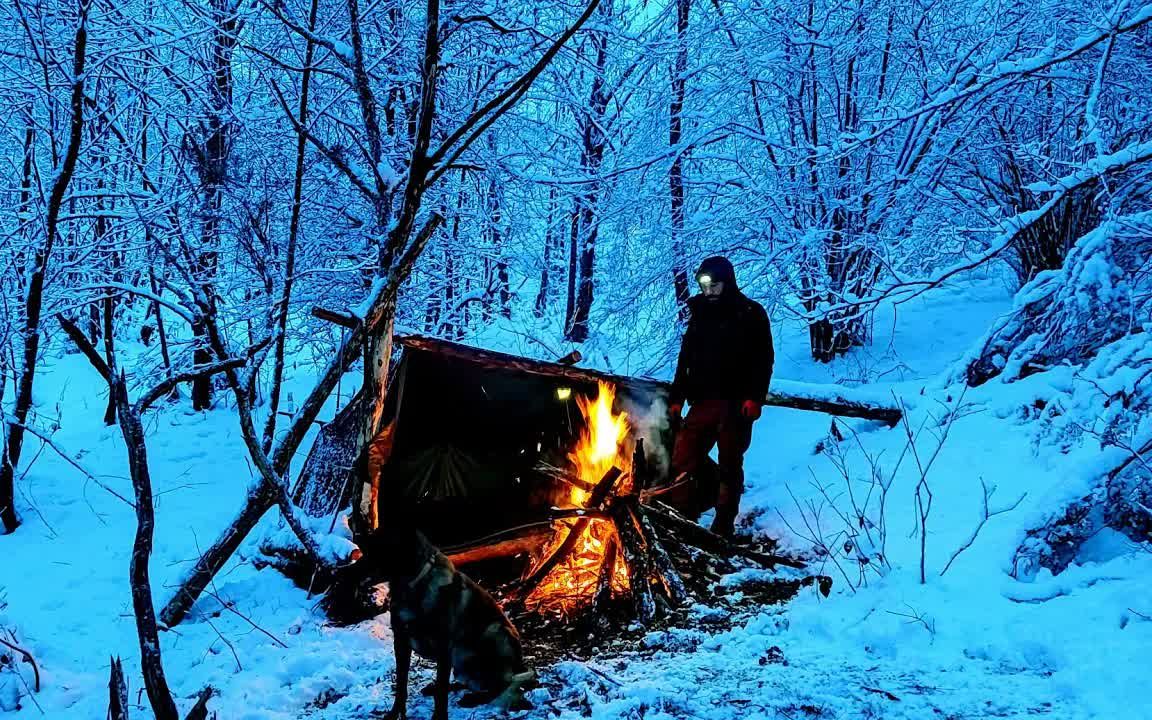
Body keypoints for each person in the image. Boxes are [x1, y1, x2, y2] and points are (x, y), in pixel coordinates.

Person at [667, 256, 774, 537]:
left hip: (736, 404)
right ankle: (683, 516)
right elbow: (685, 358)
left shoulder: (751, 313)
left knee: (729, 461)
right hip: (702, 400)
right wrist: (678, 396)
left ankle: (723, 523)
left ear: (727, 282)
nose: (709, 291)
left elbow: (763, 360)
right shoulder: (700, 313)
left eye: (715, 285)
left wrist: (755, 398)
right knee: (684, 458)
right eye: (705, 286)